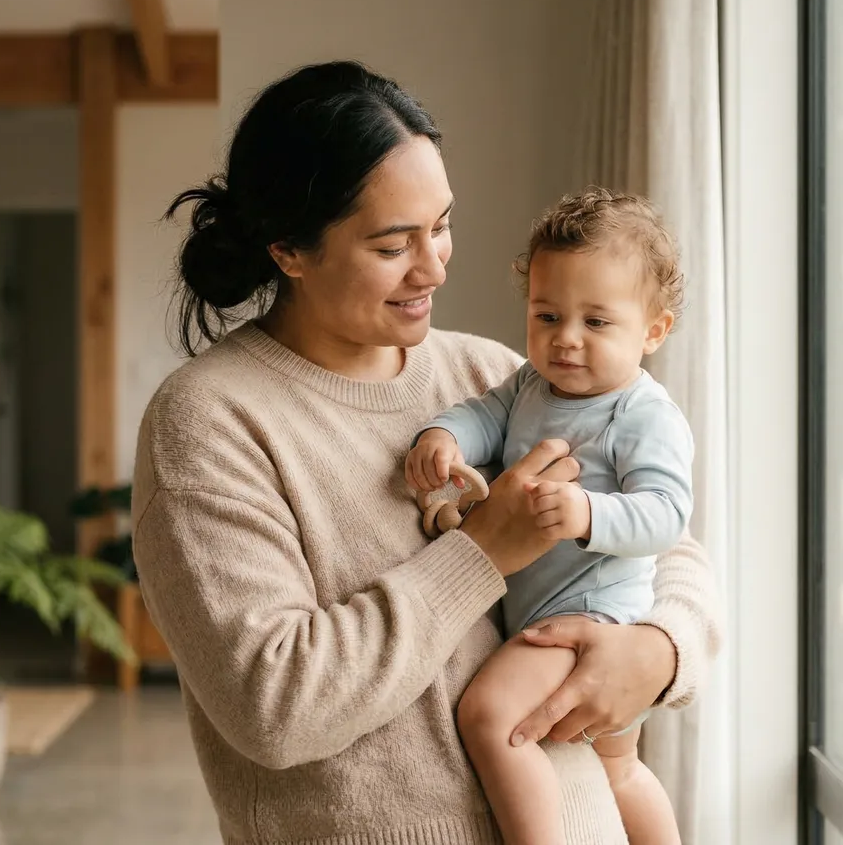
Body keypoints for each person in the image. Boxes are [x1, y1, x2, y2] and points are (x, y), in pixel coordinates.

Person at [132, 60, 720, 845]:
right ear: (290, 252)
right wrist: (479, 555)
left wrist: (659, 650)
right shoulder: (209, 425)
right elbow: (274, 707)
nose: (435, 264)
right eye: (393, 244)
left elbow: (670, 544)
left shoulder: (489, 373)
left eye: (440, 225)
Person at [407, 188, 692, 845]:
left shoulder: (644, 416)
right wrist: (442, 436)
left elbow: (667, 516)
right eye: (546, 315)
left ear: (653, 331)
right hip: (548, 614)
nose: (565, 340)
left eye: (596, 323)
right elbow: (483, 414)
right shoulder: (531, 385)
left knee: (488, 716)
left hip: (594, 622)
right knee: (619, 771)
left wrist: (587, 512)